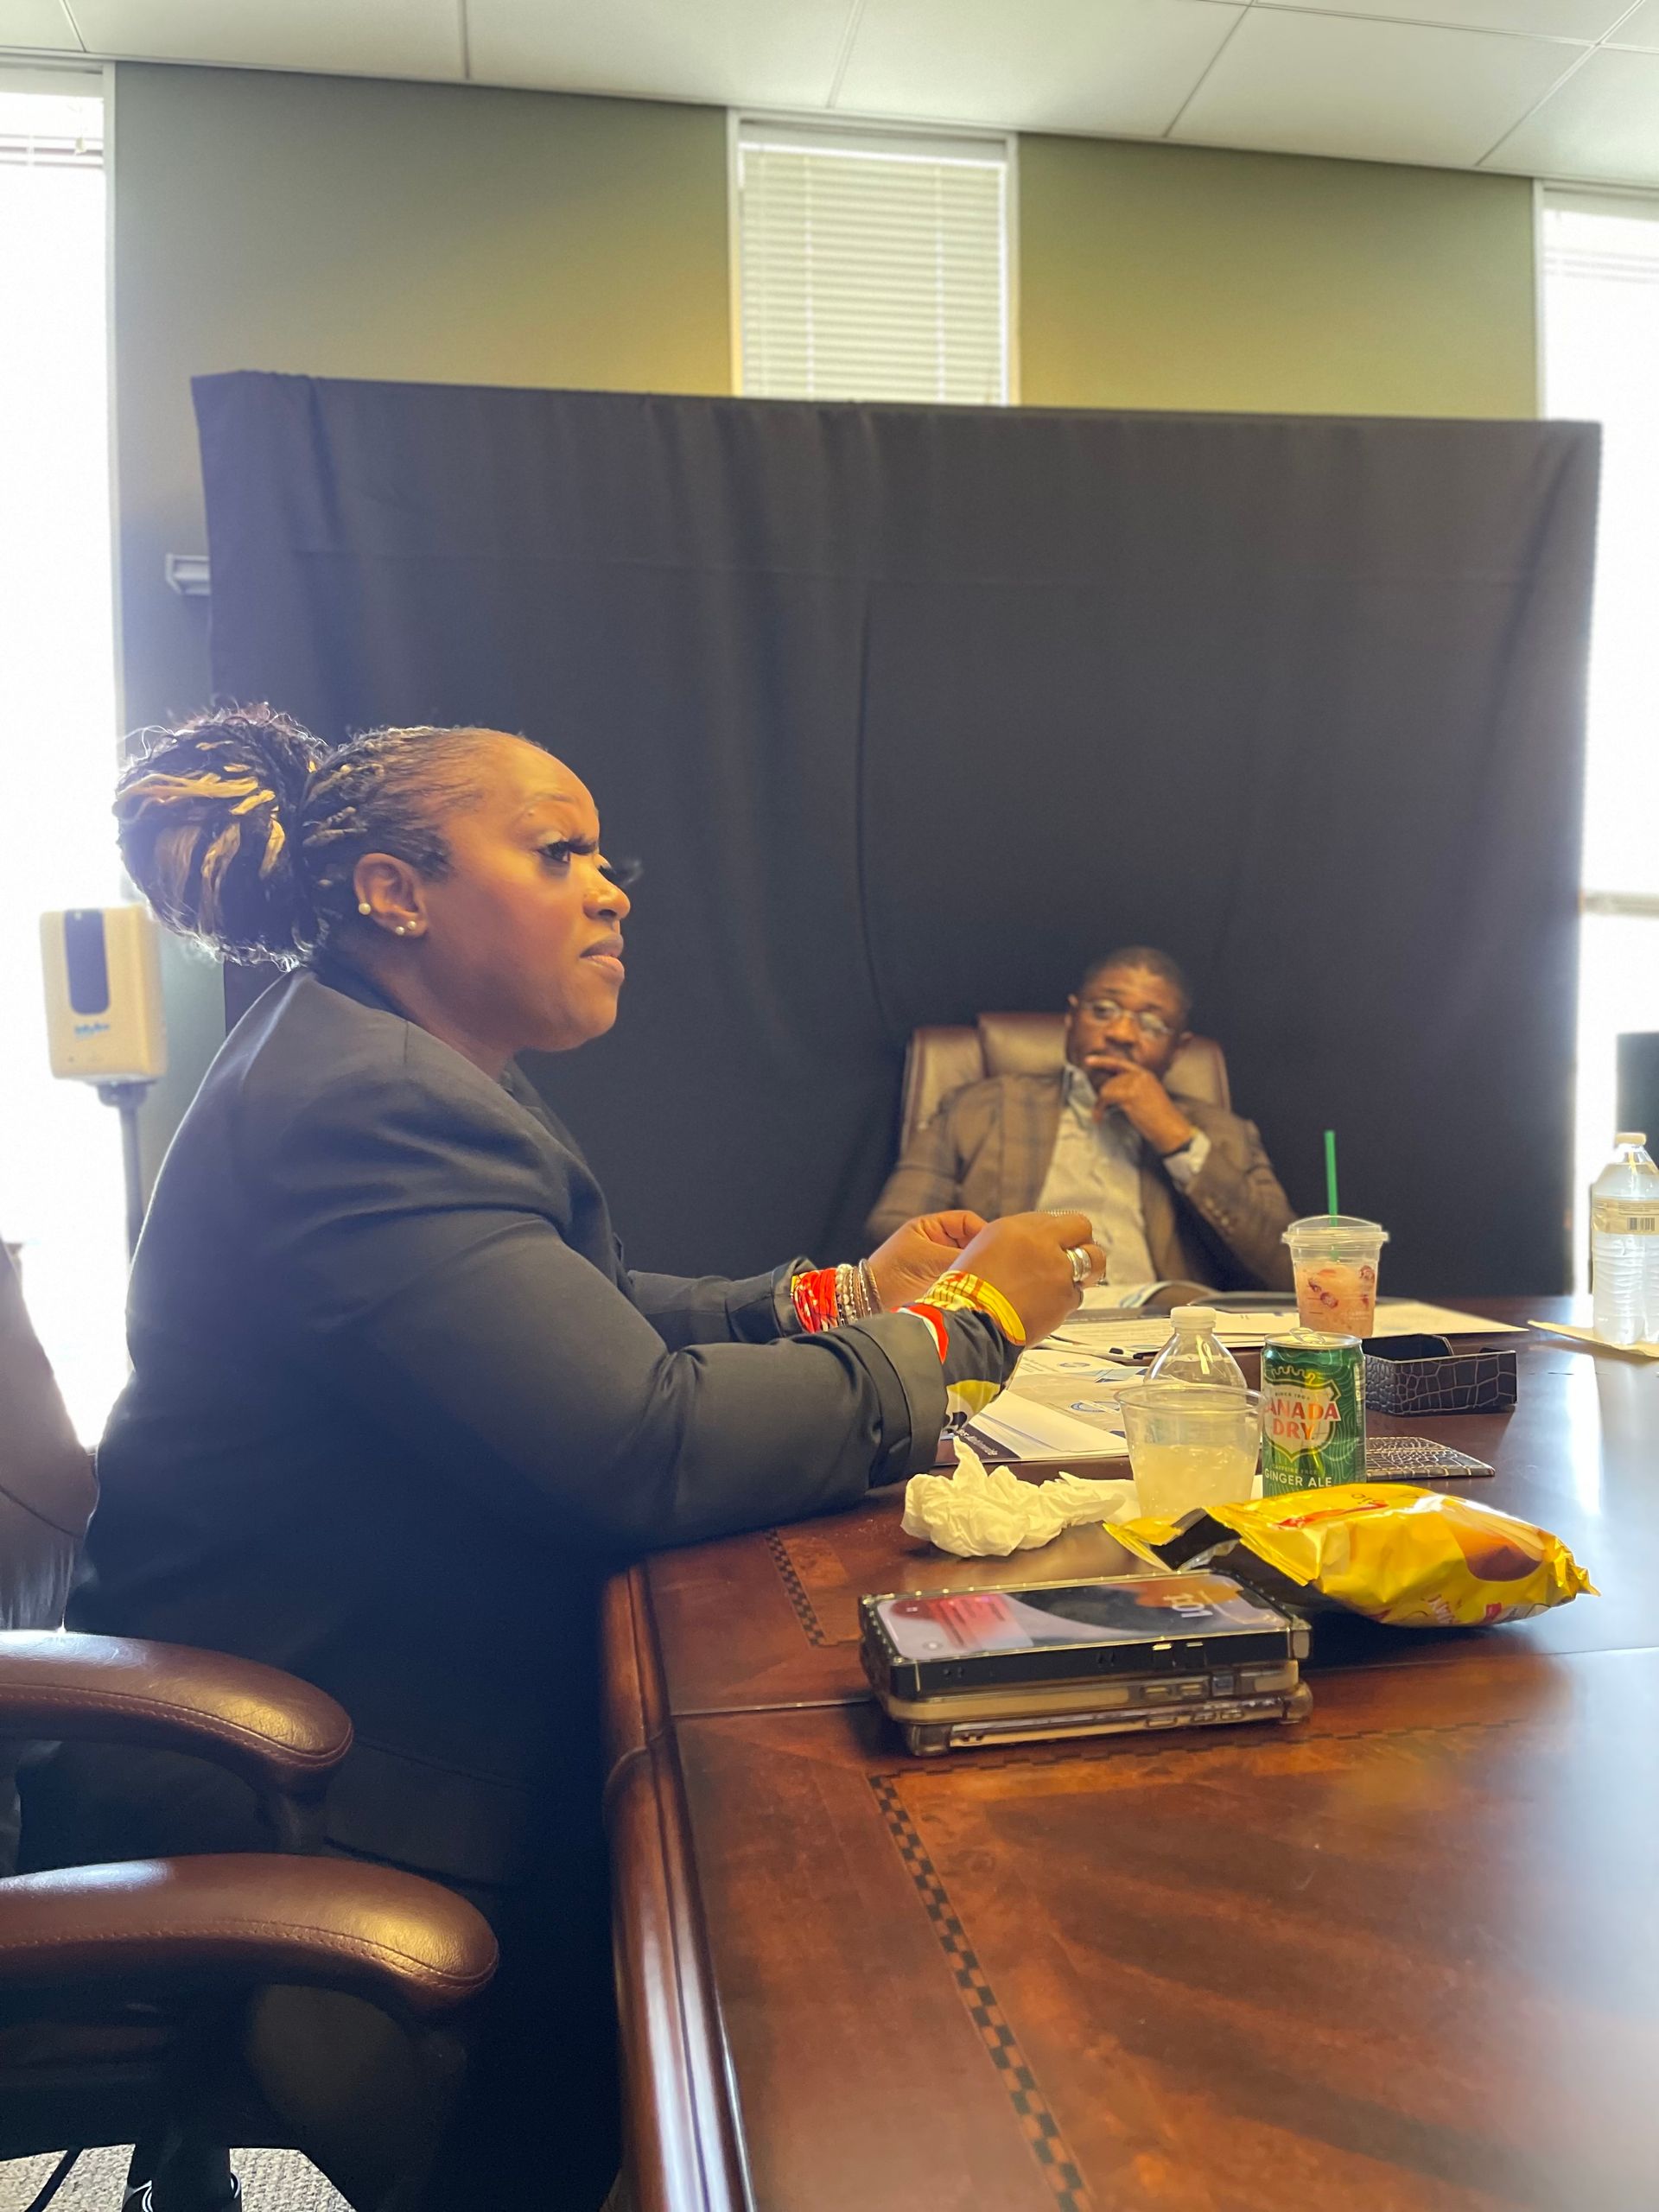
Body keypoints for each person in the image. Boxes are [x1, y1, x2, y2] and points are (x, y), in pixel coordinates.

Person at [29, 705, 1106, 2212]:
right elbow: (643, 1447)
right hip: (310, 1777)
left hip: (354, 1697)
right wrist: (973, 1329)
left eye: (608, 856)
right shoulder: (369, 1103)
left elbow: (576, 1311)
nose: (612, 889)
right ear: (396, 892)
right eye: (557, 852)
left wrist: (847, 1299)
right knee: (825, 1917)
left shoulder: (387, 1060)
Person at [868, 947, 1295, 1294]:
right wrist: (983, 1272)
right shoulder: (978, 1107)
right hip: (1016, 1322)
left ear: (1178, 1049)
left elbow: (1290, 1270)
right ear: (1072, 1018)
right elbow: (890, 1234)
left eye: (1151, 1024)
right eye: (1104, 1010)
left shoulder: (1226, 1134)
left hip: (1165, 1335)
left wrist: (1178, 1141)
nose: (1123, 1034)